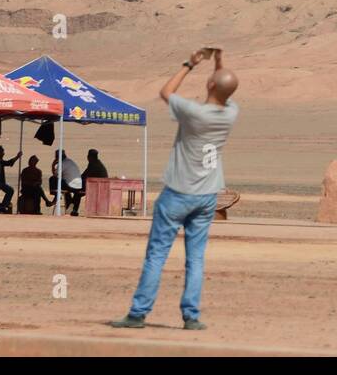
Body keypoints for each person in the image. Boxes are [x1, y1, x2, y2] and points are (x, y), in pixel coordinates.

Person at [111, 48, 239, 331]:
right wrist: (219, 63)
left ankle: (138, 313)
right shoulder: (231, 113)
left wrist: (189, 64)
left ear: (209, 84)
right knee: (196, 258)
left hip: (179, 193)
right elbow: (223, 88)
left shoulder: (194, 112)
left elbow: (165, 91)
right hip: (207, 196)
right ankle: (191, 316)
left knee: (157, 255)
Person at [51, 150, 85, 216]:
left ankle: (56, 195)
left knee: (53, 179)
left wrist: (53, 165)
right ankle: (73, 209)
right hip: (79, 185)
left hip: (70, 185)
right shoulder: (71, 162)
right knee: (68, 191)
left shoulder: (62, 164)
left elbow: (55, 175)